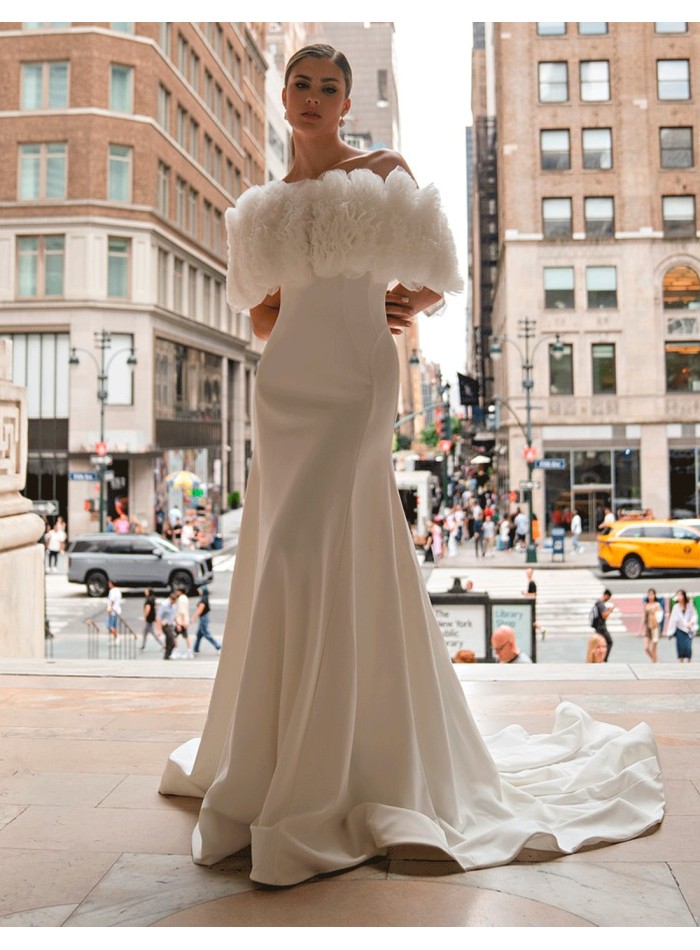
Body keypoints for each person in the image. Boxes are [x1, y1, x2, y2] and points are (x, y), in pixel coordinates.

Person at [160, 43, 664, 888]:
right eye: (303, 85)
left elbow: (440, 275)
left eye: (330, 87)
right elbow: (258, 319)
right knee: (286, 558)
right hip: (285, 394)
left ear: (344, 101)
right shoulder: (261, 207)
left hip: (358, 384)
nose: (315, 97)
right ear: (283, 99)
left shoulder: (384, 170)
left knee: (302, 552)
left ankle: (334, 771)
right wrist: (302, 301)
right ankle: (281, 755)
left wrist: (400, 303)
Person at [666, 589, 698, 663]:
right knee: (680, 646)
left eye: (681, 595)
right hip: (679, 629)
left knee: (688, 647)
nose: (679, 597)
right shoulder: (676, 607)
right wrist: (670, 631)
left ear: (684, 596)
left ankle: (689, 661)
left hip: (688, 629)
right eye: (678, 595)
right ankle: (681, 662)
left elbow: (694, 615)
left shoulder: (689, 605)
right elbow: (672, 620)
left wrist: (691, 622)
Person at [193, 585, 221, 654]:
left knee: (206, 633)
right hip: (204, 617)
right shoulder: (204, 597)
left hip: (203, 618)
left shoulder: (203, 599)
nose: (199, 591)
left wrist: (193, 617)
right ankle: (195, 648)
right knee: (199, 634)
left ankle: (218, 646)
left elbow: (200, 609)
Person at [590, 589, 615, 661]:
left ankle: (598, 658)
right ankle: (604, 658)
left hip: (598, 627)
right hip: (601, 627)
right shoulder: (601, 603)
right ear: (606, 595)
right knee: (609, 642)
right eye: (608, 598)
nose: (608, 600)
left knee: (598, 643)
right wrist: (610, 610)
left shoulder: (597, 602)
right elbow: (604, 615)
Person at [640, 588, 663, 664]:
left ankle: (654, 661)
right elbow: (644, 617)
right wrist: (641, 628)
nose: (650, 596)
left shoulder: (657, 605)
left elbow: (660, 617)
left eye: (652, 594)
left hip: (655, 626)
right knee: (646, 647)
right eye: (649, 594)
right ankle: (654, 659)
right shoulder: (646, 605)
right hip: (647, 627)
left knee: (654, 645)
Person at [157, 589, 179, 661]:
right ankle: (167, 655)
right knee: (171, 640)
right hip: (165, 625)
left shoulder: (174, 605)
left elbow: (174, 616)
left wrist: (177, 624)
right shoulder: (164, 605)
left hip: (171, 624)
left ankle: (167, 656)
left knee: (169, 640)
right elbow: (159, 617)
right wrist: (159, 629)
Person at [174, 586, 193, 658]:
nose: (176, 592)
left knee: (175, 636)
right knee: (186, 636)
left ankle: (177, 651)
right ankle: (189, 651)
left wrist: (179, 624)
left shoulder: (180, 599)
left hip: (181, 621)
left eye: (177, 591)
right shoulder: (185, 598)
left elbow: (181, 612)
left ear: (180, 591)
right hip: (184, 621)